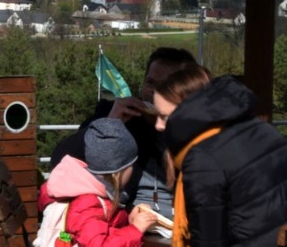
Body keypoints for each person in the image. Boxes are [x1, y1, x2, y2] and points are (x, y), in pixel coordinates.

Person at [51, 47, 196, 215]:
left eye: (165, 86)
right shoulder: (120, 118)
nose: (153, 91)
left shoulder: (196, 131)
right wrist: (110, 122)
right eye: (150, 83)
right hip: (127, 226)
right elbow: (59, 159)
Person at [153, 65, 287, 247]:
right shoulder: (257, 128)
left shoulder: (202, 157)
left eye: (164, 117)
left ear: (188, 111)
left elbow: (208, 239)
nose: (158, 125)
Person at [39, 118, 158, 247]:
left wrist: (130, 220)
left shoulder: (90, 190)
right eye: (131, 166)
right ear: (119, 172)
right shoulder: (88, 203)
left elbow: (104, 229)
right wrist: (135, 230)